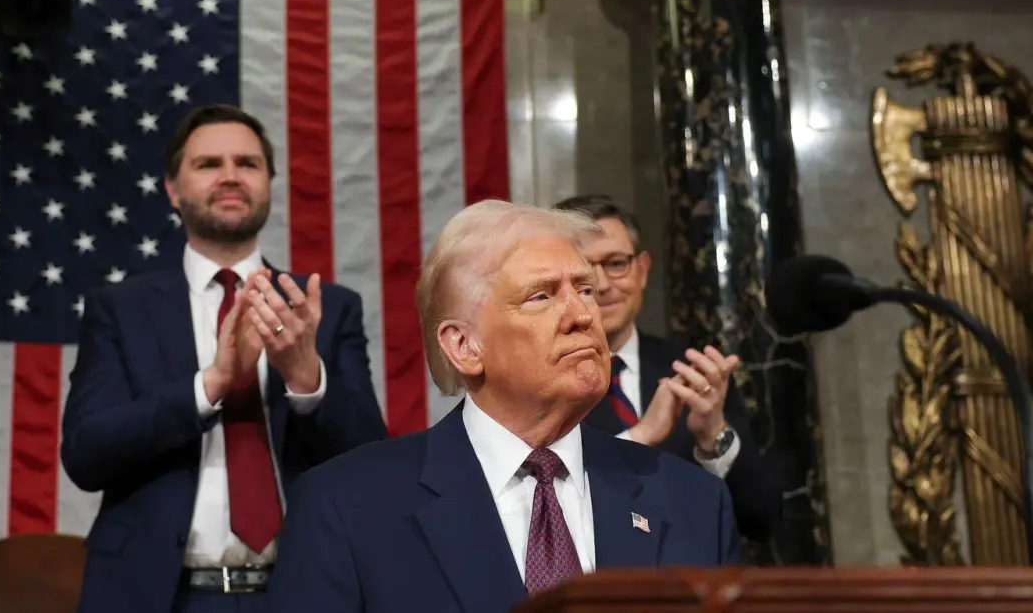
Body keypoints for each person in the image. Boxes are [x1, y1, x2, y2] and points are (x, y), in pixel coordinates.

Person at [266, 201, 739, 613]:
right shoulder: (347, 506)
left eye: (586, 290)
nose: (582, 316)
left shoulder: (693, 502)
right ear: (465, 346)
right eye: (541, 296)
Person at [62, 104, 388, 613]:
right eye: (209, 164)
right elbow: (85, 454)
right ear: (173, 190)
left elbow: (371, 461)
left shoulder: (324, 308)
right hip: (158, 596)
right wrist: (210, 383)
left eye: (248, 163)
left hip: (302, 593)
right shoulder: (119, 309)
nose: (231, 176)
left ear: (270, 183)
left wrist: (306, 379)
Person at [551, 194, 781, 543]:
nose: (602, 284)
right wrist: (639, 437)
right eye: (583, 270)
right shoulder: (536, 383)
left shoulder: (695, 370)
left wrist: (713, 437)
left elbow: (761, 518)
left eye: (616, 263)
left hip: (697, 588)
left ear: (642, 270)